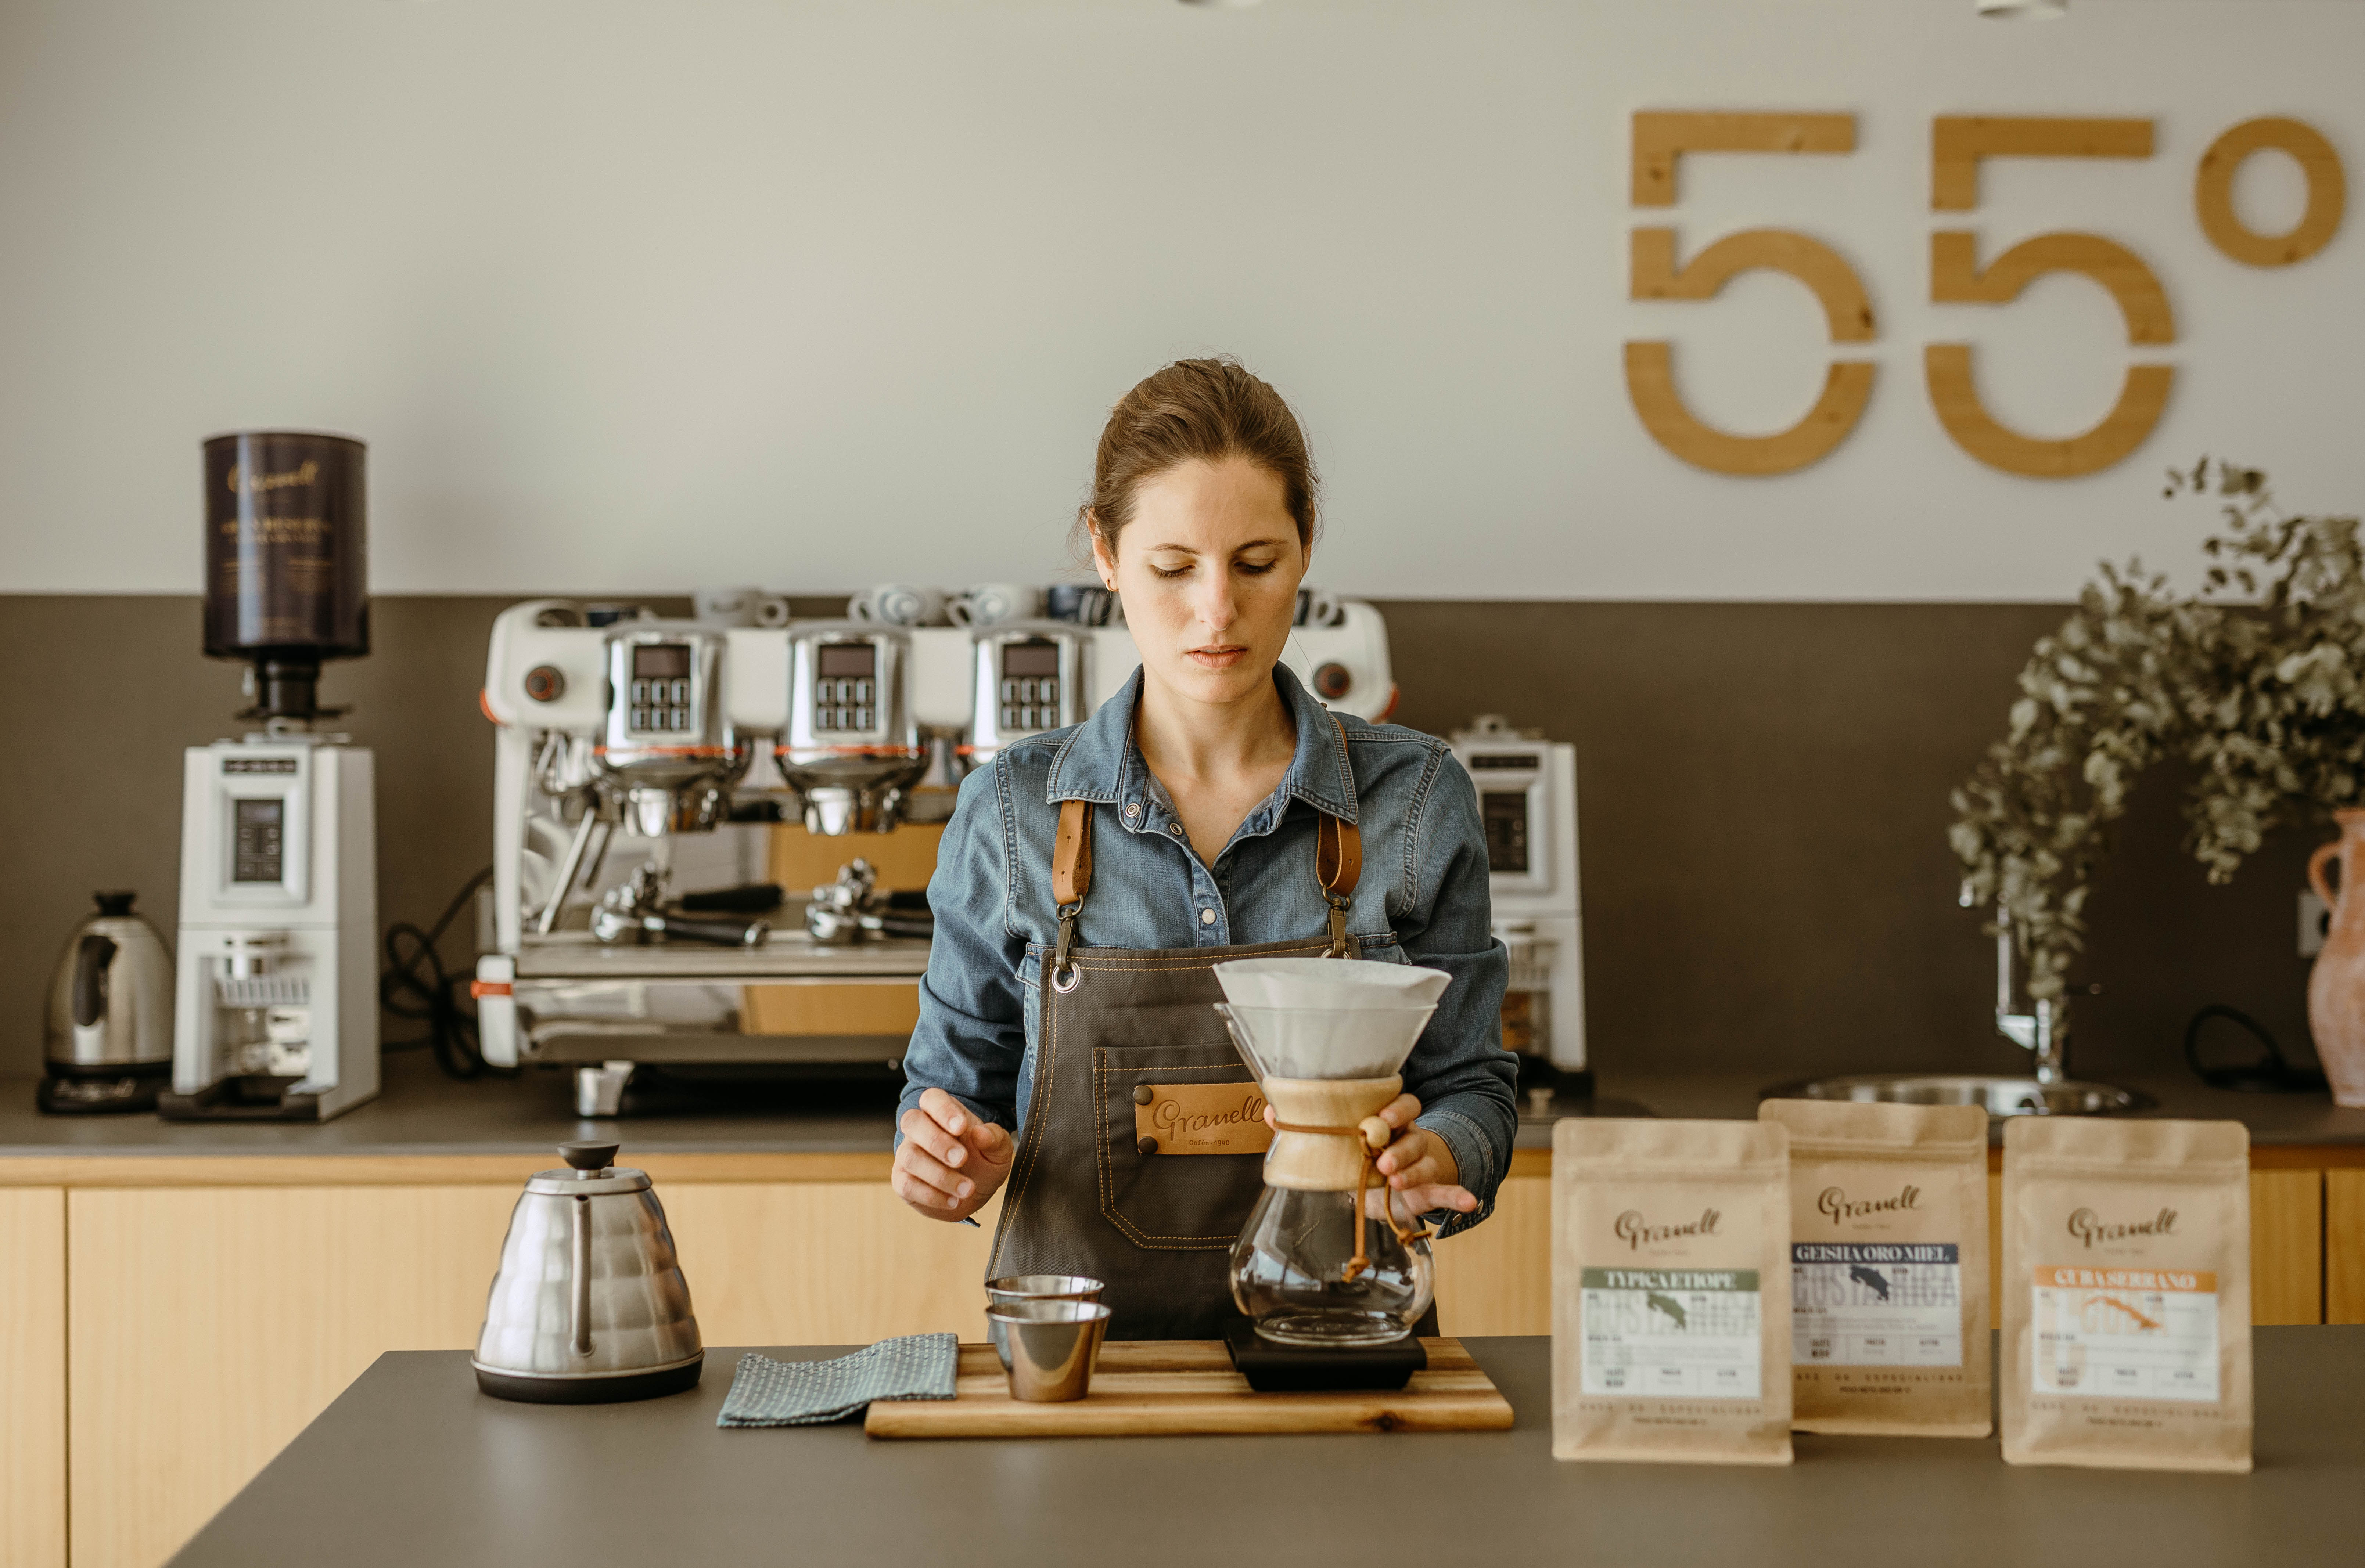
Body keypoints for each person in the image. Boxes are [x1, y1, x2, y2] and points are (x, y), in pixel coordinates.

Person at [892, 357, 1517, 1338]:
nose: (1216, 610)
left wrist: (1447, 1152)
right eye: (1173, 568)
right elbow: (950, 1094)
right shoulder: (1010, 809)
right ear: (1105, 554)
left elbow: (1473, 1087)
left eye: (1257, 563)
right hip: (1078, 1381)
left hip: (1346, 1364)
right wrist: (941, 1160)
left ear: (1307, 547)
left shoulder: (1419, 798)